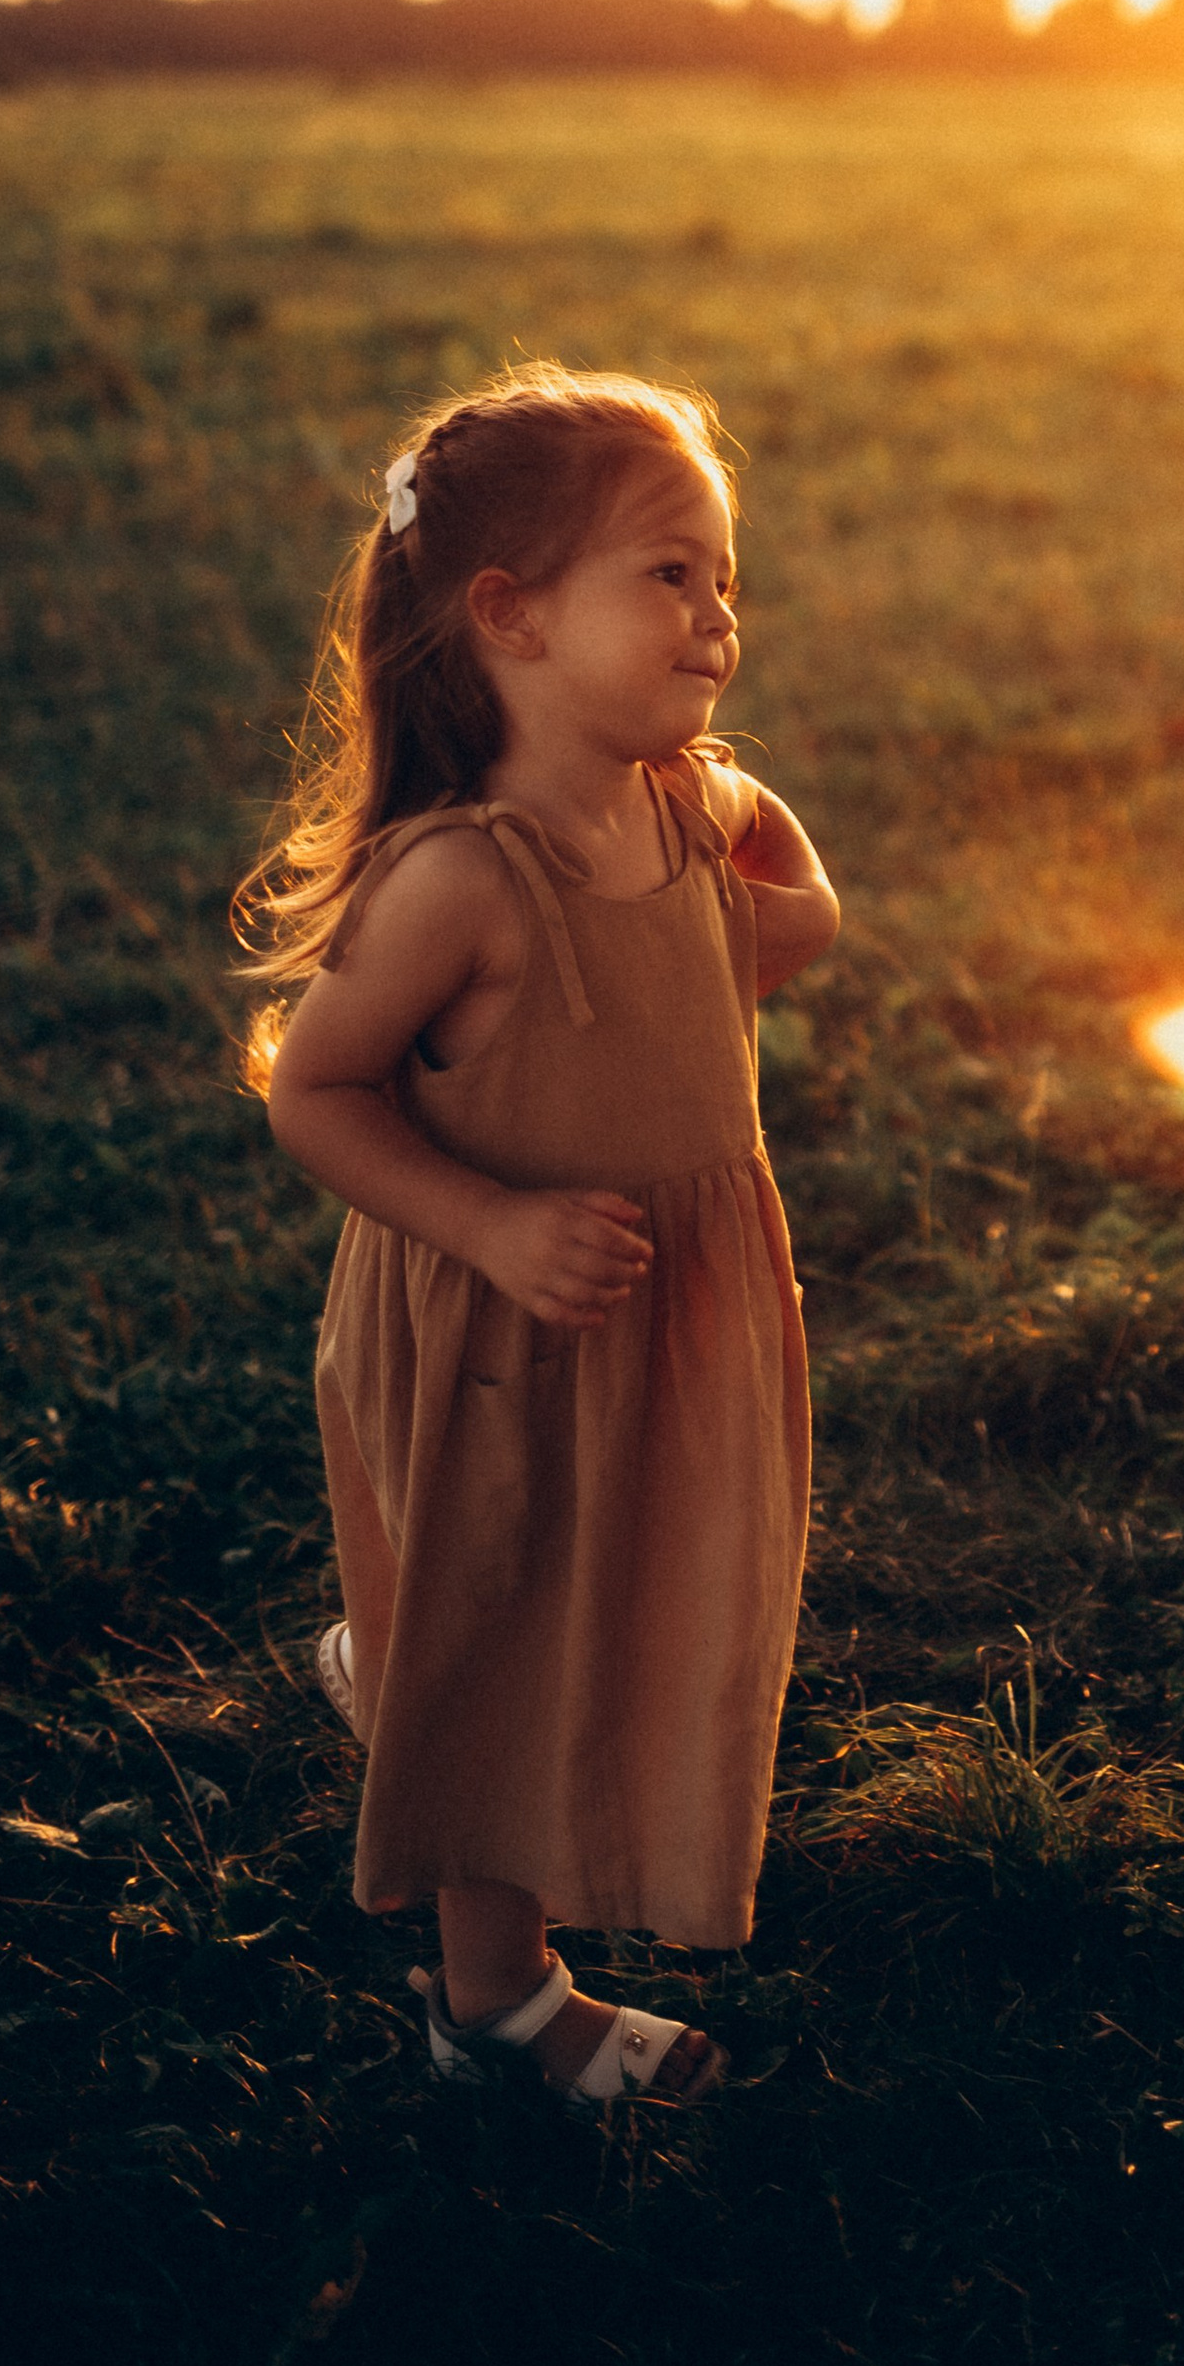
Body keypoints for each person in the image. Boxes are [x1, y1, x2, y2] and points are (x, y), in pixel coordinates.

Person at [240, 365, 840, 2108]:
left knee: (608, 1603)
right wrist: (490, 1224)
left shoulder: (681, 808)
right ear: (507, 615)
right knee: (506, 1641)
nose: (717, 614)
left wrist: (771, 900)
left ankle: (391, 1659)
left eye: (724, 578)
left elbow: (772, 921)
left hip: (660, 1319)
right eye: (670, 574)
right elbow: (319, 1095)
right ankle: (496, 1999)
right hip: (501, 1330)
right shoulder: (461, 880)